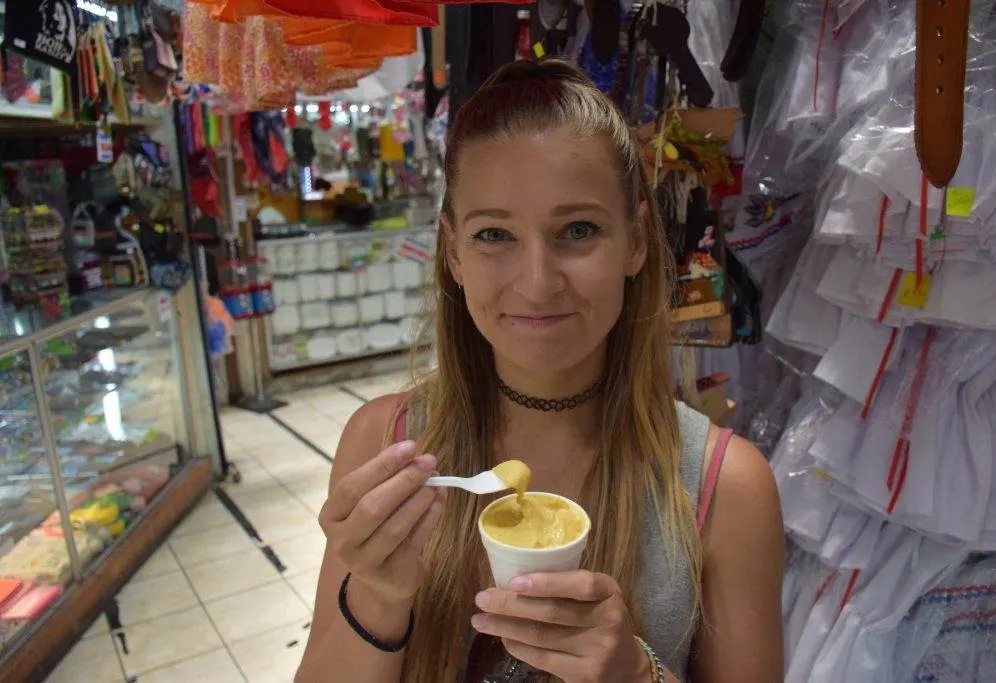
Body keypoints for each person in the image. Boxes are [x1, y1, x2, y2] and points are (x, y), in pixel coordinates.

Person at [297, 59, 784, 683]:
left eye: (577, 230)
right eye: (494, 235)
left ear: (636, 240)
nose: (537, 283)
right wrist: (379, 598)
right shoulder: (385, 444)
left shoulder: (725, 486)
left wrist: (637, 675)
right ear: (453, 253)